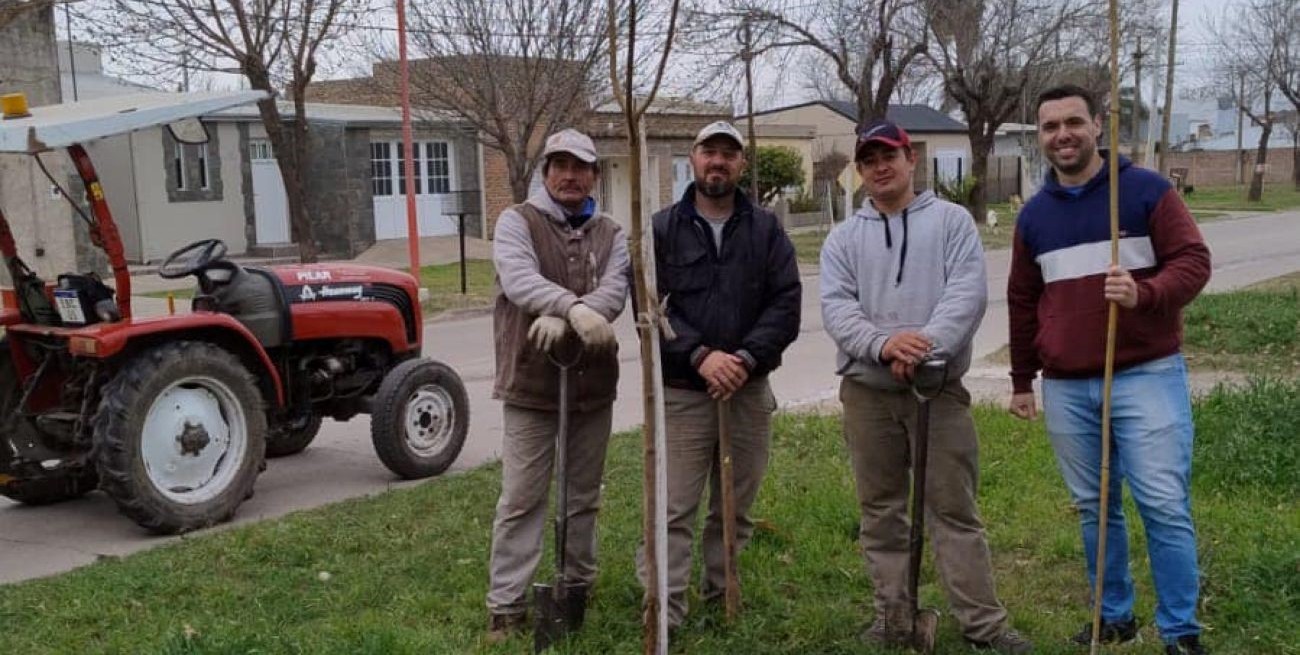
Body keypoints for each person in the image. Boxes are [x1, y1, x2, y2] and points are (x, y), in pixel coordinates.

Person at [1008, 84, 1211, 655]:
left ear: (1098, 125)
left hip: (1145, 374)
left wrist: (1145, 293)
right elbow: (1023, 301)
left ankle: (1180, 631)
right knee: (1096, 508)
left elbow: (1194, 262)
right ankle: (1113, 615)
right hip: (1069, 386)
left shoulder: (1144, 192)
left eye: (1073, 122)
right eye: (1050, 127)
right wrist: (1023, 381)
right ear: (1040, 137)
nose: (1062, 135)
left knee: (1163, 504)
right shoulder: (1034, 217)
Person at [820, 119, 1032, 654]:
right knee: (882, 507)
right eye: (868, 160)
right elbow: (837, 307)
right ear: (860, 170)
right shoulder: (844, 238)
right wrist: (883, 346)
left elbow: (966, 293)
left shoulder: (952, 222)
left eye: (888, 155)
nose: (880, 167)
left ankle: (984, 624)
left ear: (911, 157)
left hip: (938, 390)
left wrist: (922, 347)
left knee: (953, 507)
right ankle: (893, 616)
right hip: (867, 392)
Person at [636, 121, 801, 630]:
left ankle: (721, 593)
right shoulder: (661, 229)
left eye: (730, 154)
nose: (719, 162)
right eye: (710, 151)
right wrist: (702, 355)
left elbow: (786, 303)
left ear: (741, 165)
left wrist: (745, 360)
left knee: (736, 509)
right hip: (684, 392)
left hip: (748, 391)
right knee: (673, 508)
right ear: (693, 157)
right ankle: (666, 611)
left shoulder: (766, 228)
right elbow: (649, 306)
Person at [485, 128, 629, 642]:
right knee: (522, 497)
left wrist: (581, 313)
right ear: (546, 172)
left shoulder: (611, 231)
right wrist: (571, 308)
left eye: (580, 166)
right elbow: (518, 279)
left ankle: (576, 586)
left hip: (592, 385)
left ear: (593, 174)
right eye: (560, 165)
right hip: (531, 383)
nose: (570, 175)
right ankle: (507, 605)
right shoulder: (516, 221)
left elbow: (615, 289)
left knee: (582, 495)